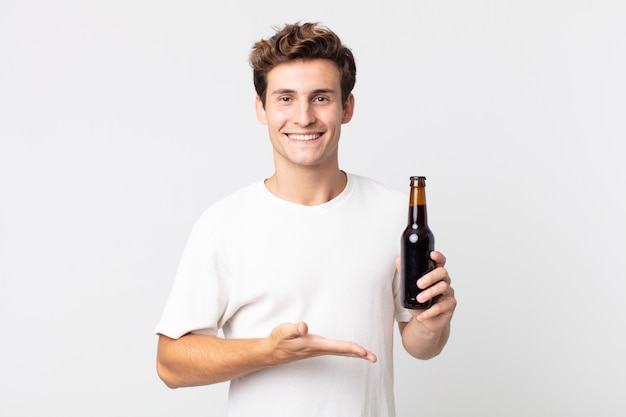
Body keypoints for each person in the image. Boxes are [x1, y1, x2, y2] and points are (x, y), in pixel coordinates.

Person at [155, 22, 456, 417]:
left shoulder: (394, 213)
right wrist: (269, 351)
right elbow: (170, 364)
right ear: (261, 108)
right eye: (285, 98)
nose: (303, 117)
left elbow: (419, 345)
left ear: (347, 107)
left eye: (321, 98)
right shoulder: (223, 223)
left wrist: (433, 325)